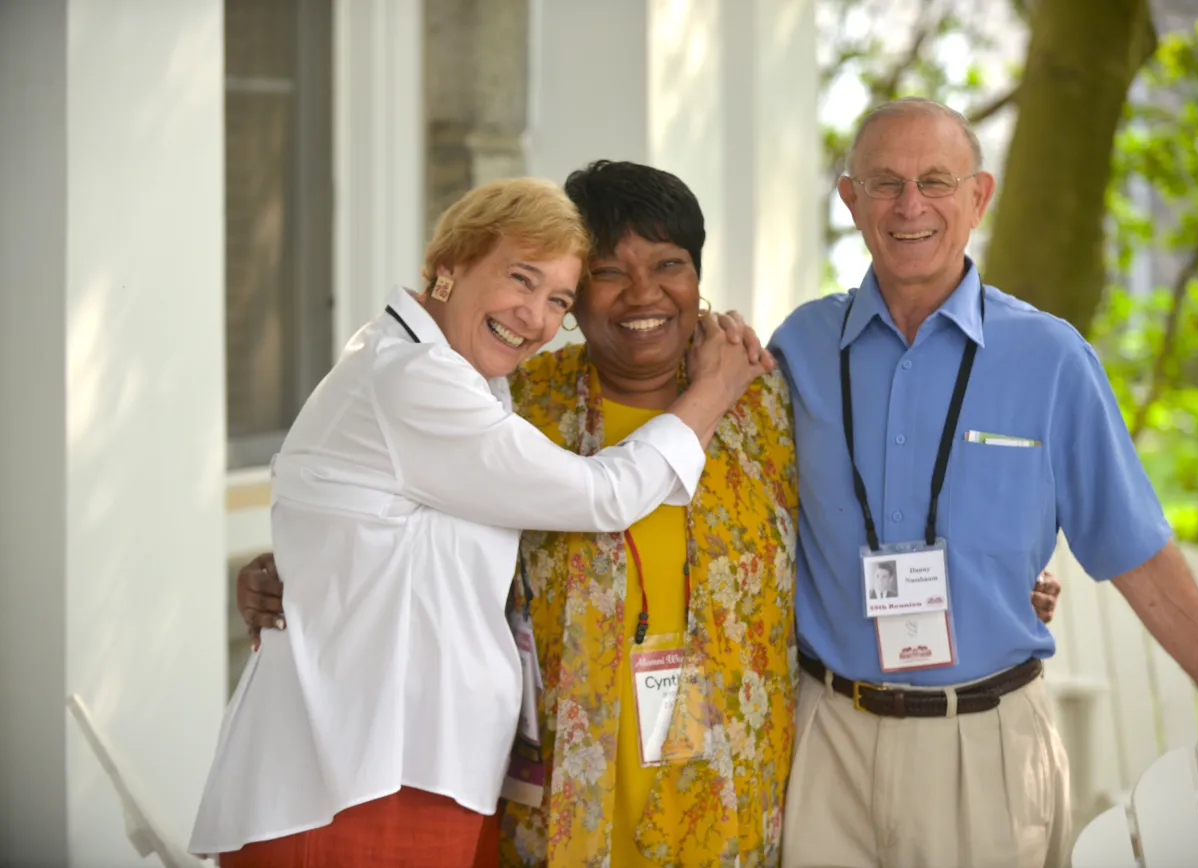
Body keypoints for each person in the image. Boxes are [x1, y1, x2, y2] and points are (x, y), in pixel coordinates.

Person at [235, 161, 1065, 867]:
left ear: (699, 277)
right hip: (554, 789)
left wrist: (990, 583)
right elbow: (404, 511)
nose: (642, 294)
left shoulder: (766, 401)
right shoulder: (513, 399)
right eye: (604, 273)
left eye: (669, 264)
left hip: (730, 785)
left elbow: (881, 502)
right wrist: (298, 568)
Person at [769, 96, 1198, 868]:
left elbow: (1138, 558)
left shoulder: (1052, 359)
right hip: (826, 741)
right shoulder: (800, 347)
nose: (910, 204)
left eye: (936, 181)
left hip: (983, 747)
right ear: (850, 199)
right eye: (884, 183)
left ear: (979, 197)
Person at [188, 177, 767, 868]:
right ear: (448, 265)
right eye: (520, 280)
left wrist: (297, 569)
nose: (535, 316)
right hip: (362, 778)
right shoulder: (415, 381)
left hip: (415, 768)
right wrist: (711, 392)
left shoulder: (460, 380)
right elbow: (602, 495)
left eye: (557, 300)